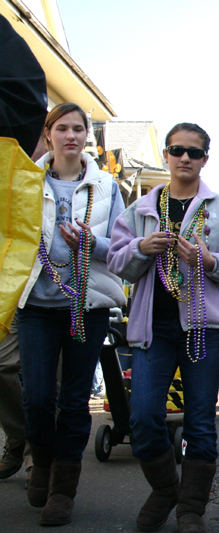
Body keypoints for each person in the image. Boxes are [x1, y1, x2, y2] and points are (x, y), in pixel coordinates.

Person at [108, 122, 219, 533]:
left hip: (204, 329)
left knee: (200, 421)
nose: (185, 158)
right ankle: (165, 489)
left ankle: (191, 509)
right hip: (151, 328)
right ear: (167, 157)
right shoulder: (140, 209)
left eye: (194, 152)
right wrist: (141, 247)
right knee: (141, 417)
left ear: (205, 158)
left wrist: (209, 262)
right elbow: (116, 260)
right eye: (177, 150)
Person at [16, 102, 126, 526]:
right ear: (48, 135)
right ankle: (40, 461)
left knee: (75, 400)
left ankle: (63, 489)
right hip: (37, 305)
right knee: (38, 397)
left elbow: (121, 248)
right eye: (62, 128)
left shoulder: (108, 186)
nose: (71, 136)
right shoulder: (24, 180)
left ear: (87, 136)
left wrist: (90, 244)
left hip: (87, 305)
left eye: (78, 128)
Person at [0, 13, 47, 486]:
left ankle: (37, 444)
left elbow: (23, 92)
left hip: (35, 285)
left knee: (21, 370)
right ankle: (22, 435)